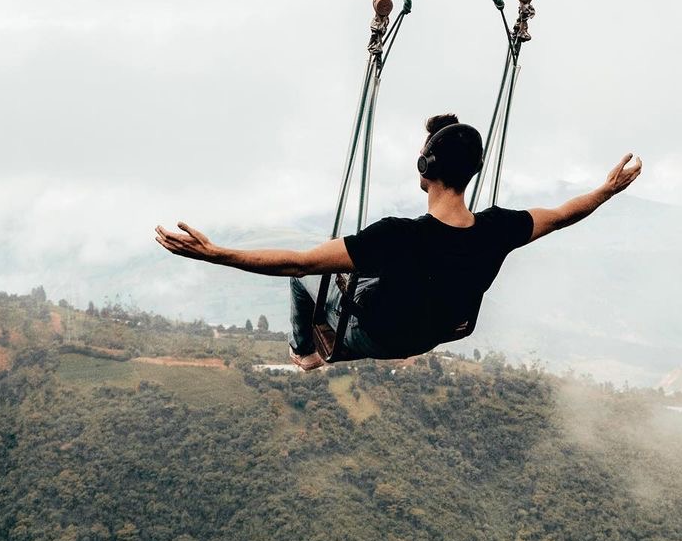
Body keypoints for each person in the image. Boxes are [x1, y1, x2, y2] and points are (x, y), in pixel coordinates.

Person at [154, 113, 642, 370]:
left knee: (306, 279)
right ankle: (341, 316)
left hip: (377, 335)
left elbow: (293, 262)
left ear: (426, 170)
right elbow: (560, 216)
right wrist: (606, 190)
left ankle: (304, 354)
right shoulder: (499, 227)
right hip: (438, 328)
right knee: (354, 274)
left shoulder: (398, 238)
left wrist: (216, 254)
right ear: (472, 173)